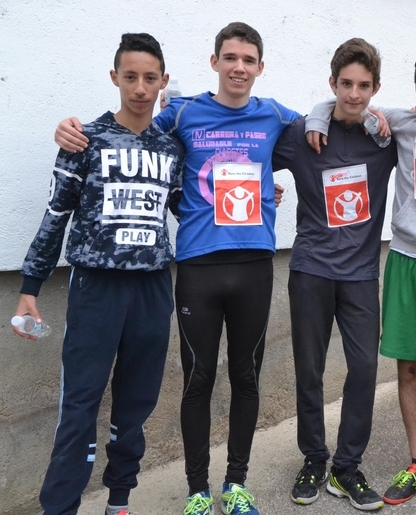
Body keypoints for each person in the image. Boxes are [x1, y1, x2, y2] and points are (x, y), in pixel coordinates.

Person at [54, 22, 301, 515]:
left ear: (260, 67)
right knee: (197, 380)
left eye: (248, 60)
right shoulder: (183, 113)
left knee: (247, 377)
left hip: (255, 263)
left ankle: (236, 485)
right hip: (196, 266)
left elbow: (324, 126)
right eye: (230, 57)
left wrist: (378, 117)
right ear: (214, 62)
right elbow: (134, 132)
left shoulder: (274, 113)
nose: (238, 67)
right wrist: (71, 131)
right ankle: (197, 491)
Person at [306, 41, 416, 515]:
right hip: (405, 259)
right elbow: (348, 103)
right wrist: (315, 118)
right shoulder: (401, 124)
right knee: (408, 369)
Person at [12, 33, 184, 515]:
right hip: (96, 288)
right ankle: (60, 507)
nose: (140, 88)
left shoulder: (171, 148)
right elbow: (55, 214)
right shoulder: (84, 139)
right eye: (130, 77)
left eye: (150, 78)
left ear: (163, 81)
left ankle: (119, 501)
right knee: (80, 405)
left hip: (152, 288)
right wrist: (30, 287)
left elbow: (191, 208)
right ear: (115, 78)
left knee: (136, 404)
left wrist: (258, 197)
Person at [270, 37, 397, 511]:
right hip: (311, 269)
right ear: (332, 83)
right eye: (346, 84)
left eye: (364, 86)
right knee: (310, 369)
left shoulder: (384, 137)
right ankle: (313, 459)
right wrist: (264, 189)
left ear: (375, 88)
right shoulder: (303, 133)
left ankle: (347, 468)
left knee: (364, 368)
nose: (354, 94)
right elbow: (249, 148)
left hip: (361, 272)